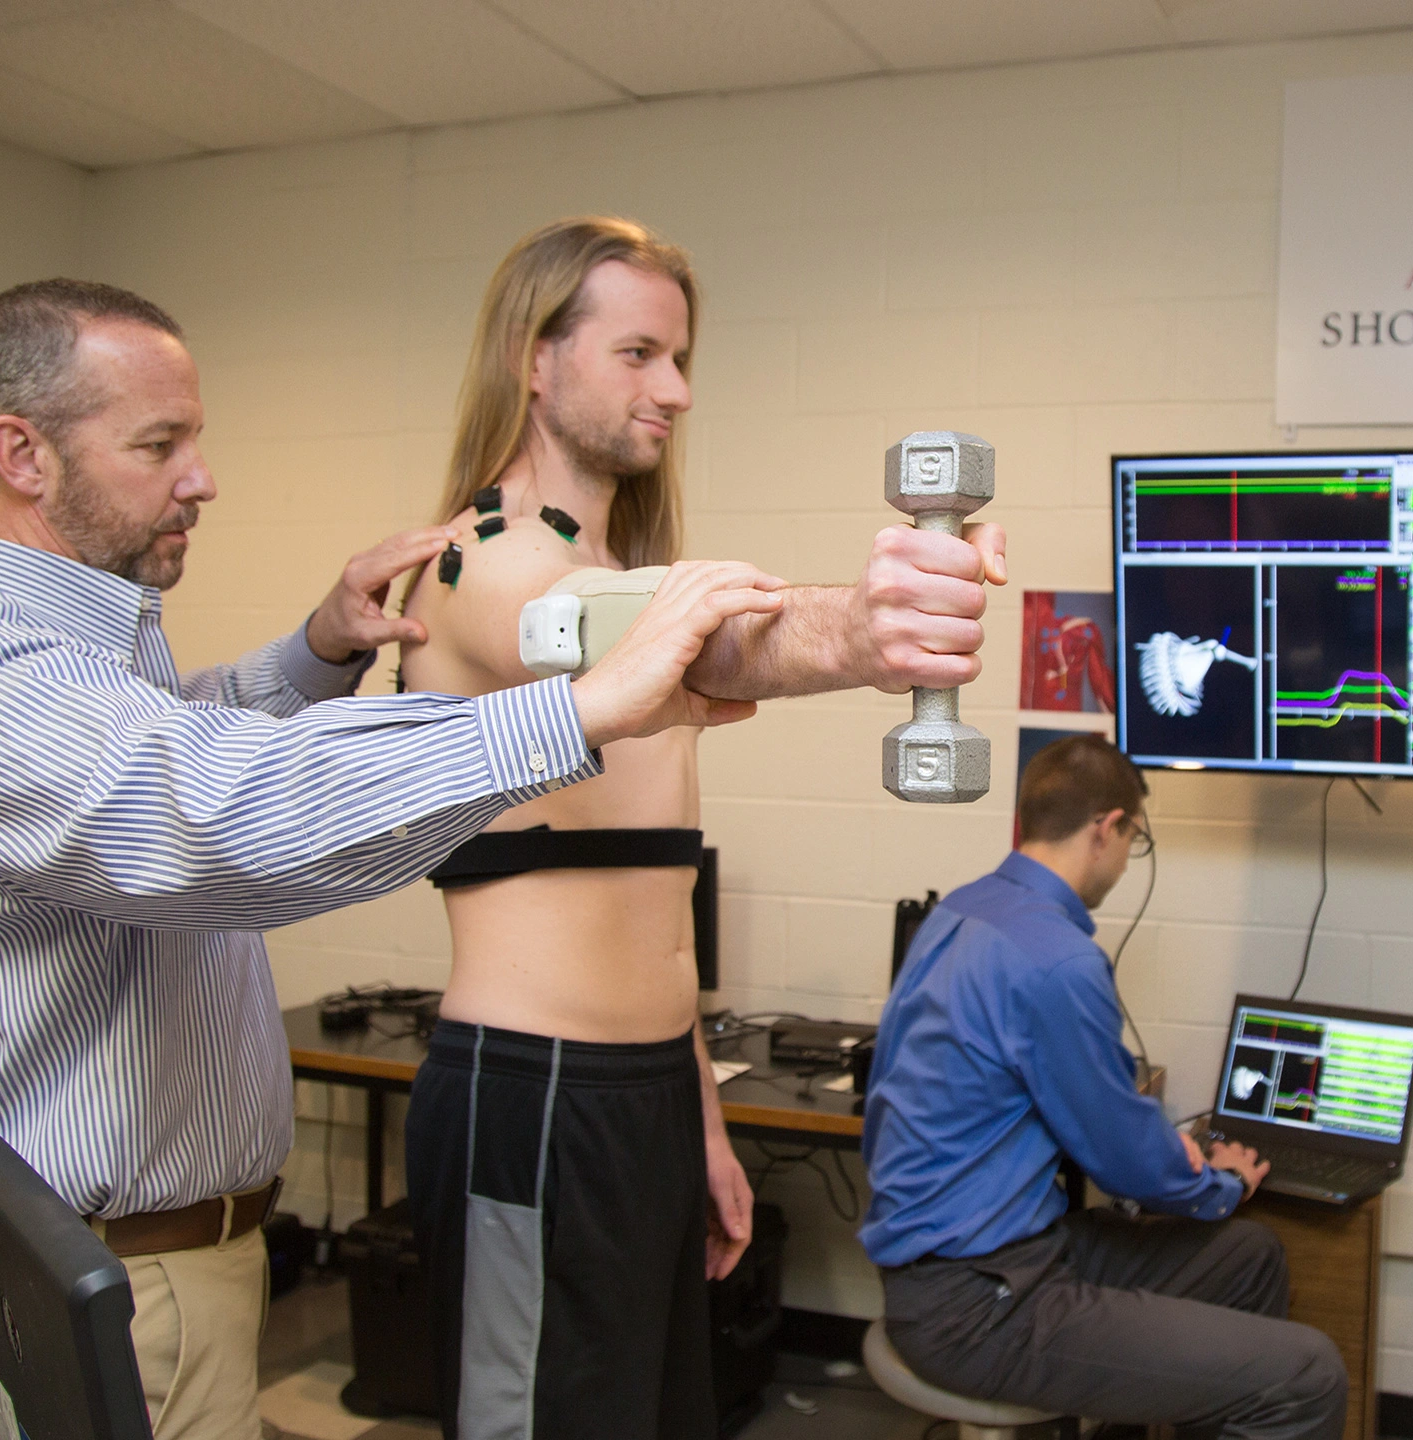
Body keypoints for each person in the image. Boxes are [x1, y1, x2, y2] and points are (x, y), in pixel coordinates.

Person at [0, 277, 941, 1440]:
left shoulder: (76, 663)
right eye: (159, 444)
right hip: (90, 1283)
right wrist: (828, 640)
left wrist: (312, 656)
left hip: (176, 1269)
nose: (202, 477)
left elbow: (170, 750)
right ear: (21, 452)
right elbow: (226, 812)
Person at [393, 215, 1004, 1440]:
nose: (673, 390)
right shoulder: (484, 570)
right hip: (535, 1098)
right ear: (533, 355)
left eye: (681, 361)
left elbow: (649, 918)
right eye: (637, 354)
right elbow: (701, 636)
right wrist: (860, 631)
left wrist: (703, 1124)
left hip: (648, 1101)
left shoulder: (619, 575)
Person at [859, 735, 1349, 1440]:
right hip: (982, 1304)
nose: (1126, 860)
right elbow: (1121, 1156)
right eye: (1134, 840)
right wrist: (1220, 1181)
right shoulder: (1057, 960)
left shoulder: (963, 911)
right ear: (1107, 828)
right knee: (1309, 1373)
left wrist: (1174, 1161)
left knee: (1250, 1256)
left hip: (989, 1261)